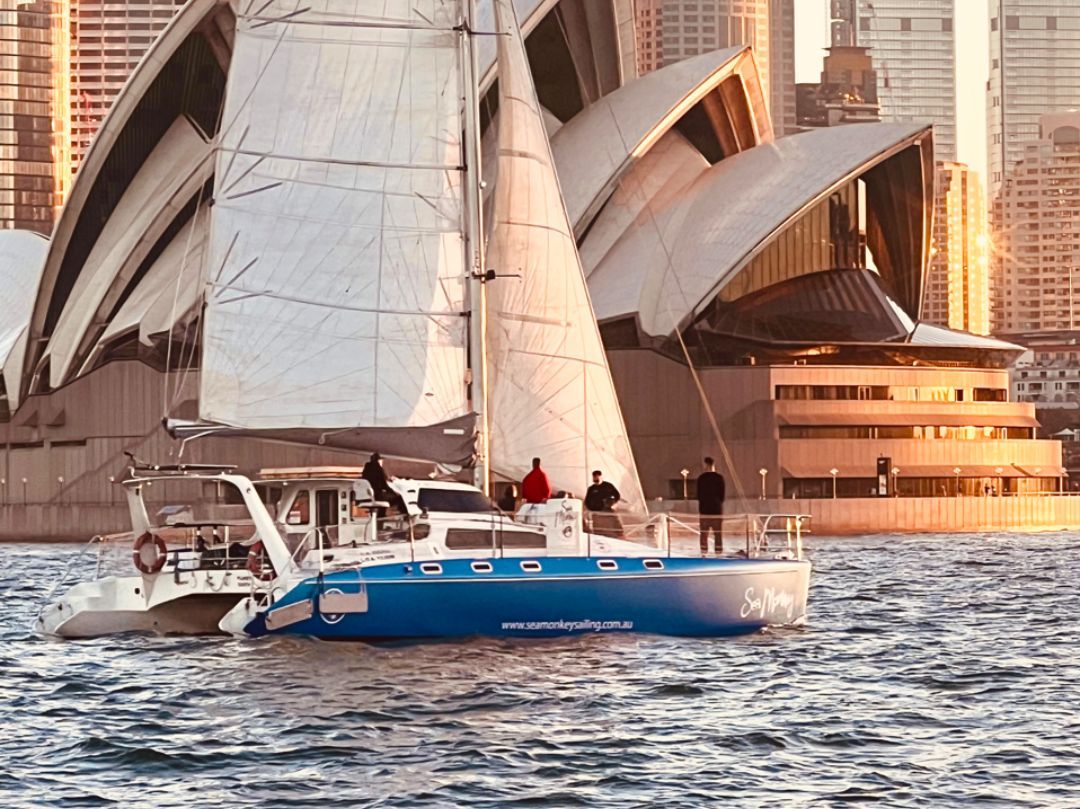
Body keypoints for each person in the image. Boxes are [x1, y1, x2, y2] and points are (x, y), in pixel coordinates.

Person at [696, 457, 725, 555]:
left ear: (706, 465)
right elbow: (722, 495)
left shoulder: (701, 478)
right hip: (716, 510)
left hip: (704, 510)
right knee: (718, 534)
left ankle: (703, 552)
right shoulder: (719, 478)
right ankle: (718, 552)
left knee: (704, 534)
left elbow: (698, 495)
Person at [585, 470, 622, 537]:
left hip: (608, 510)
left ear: (601, 477)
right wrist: (591, 509)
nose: (595, 479)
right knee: (598, 530)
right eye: (594, 477)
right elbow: (587, 501)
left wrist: (614, 504)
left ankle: (619, 536)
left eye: (597, 477)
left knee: (615, 525)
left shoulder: (608, 486)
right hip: (597, 512)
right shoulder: (591, 489)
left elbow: (617, 495)